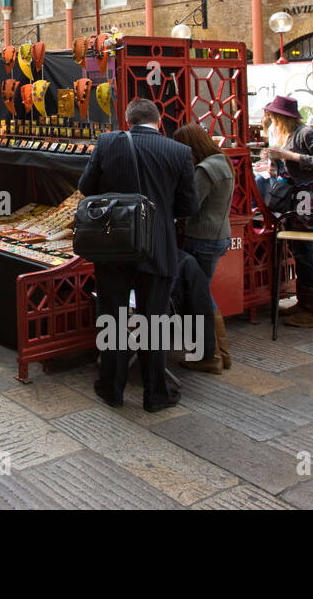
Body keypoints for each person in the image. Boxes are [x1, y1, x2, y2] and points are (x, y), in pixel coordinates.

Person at [78, 98, 199, 412]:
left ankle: (111, 389)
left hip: (114, 244)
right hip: (158, 246)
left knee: (113, 318)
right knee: (154, 320)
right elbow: (189, 206)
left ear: (128, 120)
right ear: (158, 121)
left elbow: (86, 187)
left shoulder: (108, 143)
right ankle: (155, 394)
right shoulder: (179, 152)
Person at [260, 95, 313, 328]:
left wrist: (291, 156)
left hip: (304, 199)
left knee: (304, 251)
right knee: (298, 250)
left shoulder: (306, 134)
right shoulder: (285, 135)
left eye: (273, 116)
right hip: (292, 199)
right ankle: (305, 303)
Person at [171, 123, 235, 373]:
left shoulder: (205, 169)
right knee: (203, 292)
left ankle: (211, 356)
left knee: (200, 295)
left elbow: (190, 204)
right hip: (218, 235)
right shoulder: (222, 161)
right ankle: (222, 355)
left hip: (203, 237)